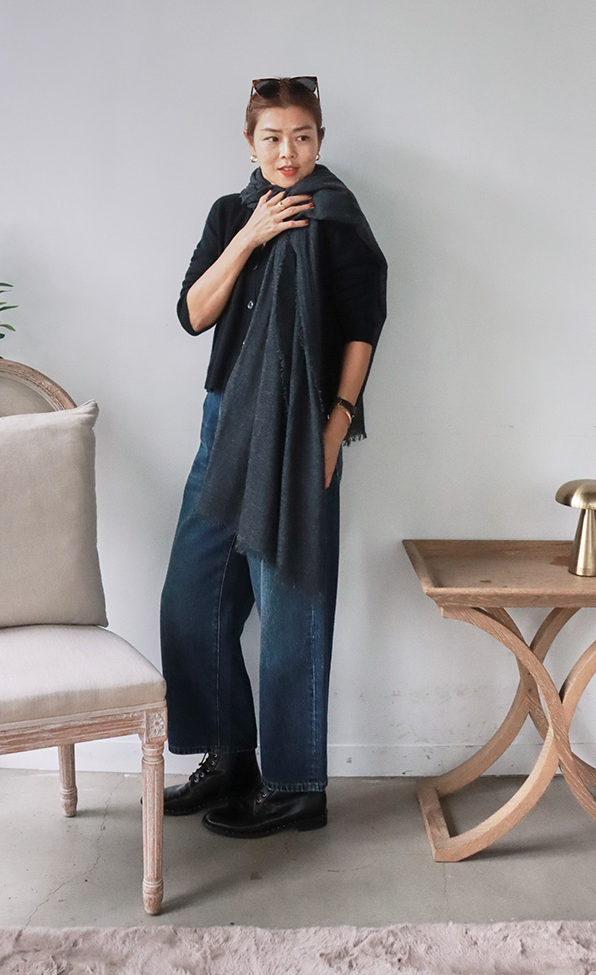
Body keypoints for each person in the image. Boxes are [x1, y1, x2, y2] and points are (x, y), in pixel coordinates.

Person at [160, 77, 387, 839]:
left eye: (302, 136)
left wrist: (334, 428)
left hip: (298, 425)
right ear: (248, 142)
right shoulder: (230, 214)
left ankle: (296, 787)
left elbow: (362, 327)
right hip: (224, 422)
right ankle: (231, 758)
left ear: (320, 139)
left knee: (291, 604)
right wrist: (250, 236)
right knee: (191, 598)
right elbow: (193, 313)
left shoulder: (337, 217)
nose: (287, 152)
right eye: (272, 137)